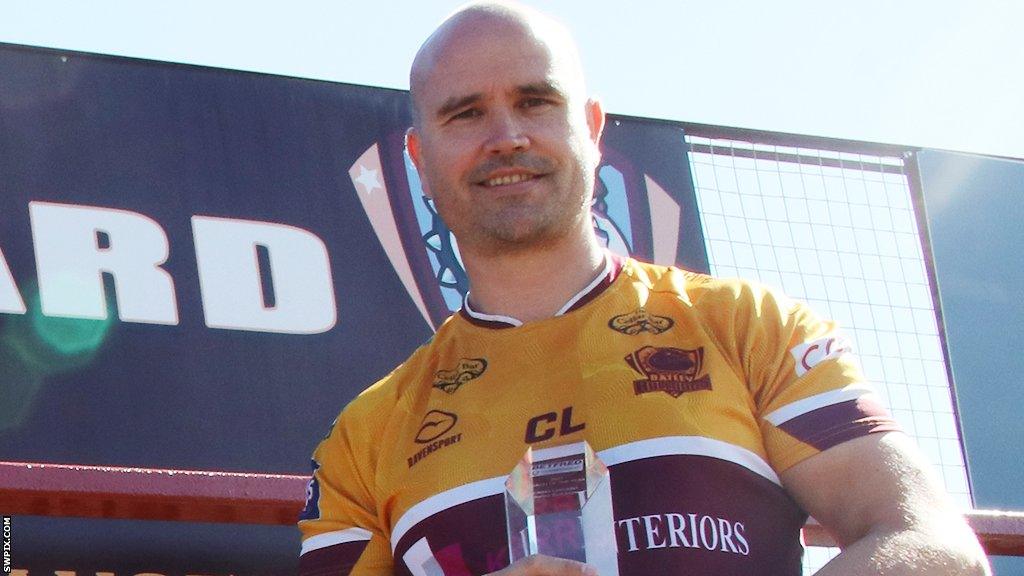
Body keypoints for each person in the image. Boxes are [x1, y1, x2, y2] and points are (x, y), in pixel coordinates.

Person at [297, 2, 990, 574]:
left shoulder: (751, 326)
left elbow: (933, 546)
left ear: (592, 127)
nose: (506, 137)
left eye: (536, 102)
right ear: (419, 158)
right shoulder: (365, 436)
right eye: (465, 113)